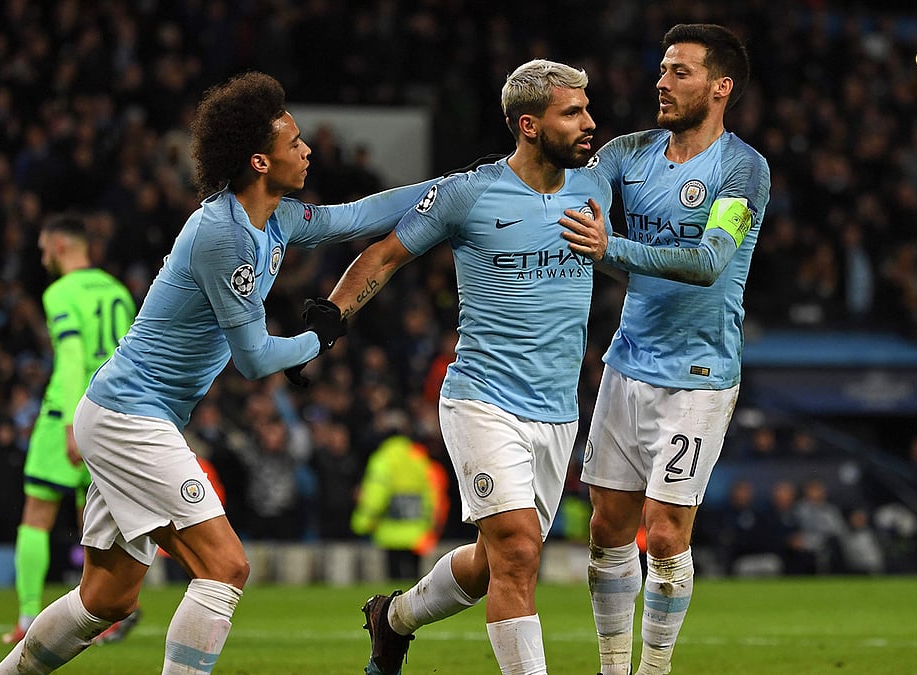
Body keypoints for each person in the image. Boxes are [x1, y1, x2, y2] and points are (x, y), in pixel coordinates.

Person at [0, 71, 433, 674]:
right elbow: (253, 358)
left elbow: (354, 216)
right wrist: (319, 338)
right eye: (294, 142)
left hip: (126, 413)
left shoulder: (274, 218)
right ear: (259, 161)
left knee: (106, 598)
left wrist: (448, 187)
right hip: (130, 417)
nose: (307, 150)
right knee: (225, 567)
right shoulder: (222, 234)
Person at [321, 59, 608, 675]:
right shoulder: (469, 194)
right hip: (484, 400)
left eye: (587, 109)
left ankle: (394, 619)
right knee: (519, 552)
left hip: (558, 412)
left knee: (492, 563)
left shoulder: (596, 185)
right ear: (529, 125)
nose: (589, 122)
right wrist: (328, 321)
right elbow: (385, 255)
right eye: (572, 112)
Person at [558, 24, 771, 675]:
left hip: (699, 374)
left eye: (681, 71)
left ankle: (653, 670)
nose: (662, 82)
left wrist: (612, 247)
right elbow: (579, 202)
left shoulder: (742, 168)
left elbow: (709, 262)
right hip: (627, 364)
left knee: (665, 527)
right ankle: (613, 669)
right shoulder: (628, 153)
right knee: (605, 527)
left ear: (720, 87)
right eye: (662, 69)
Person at [1, 214, 139, 646]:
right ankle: (104, 614)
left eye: (43, 247)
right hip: (112, 414)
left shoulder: (60, 291)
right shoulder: (117, 291)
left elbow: (72, 356)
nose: (41, 255)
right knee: (95, 520)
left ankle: (28, 617)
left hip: (69, 411)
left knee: (37, 514)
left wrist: (69, 425)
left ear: (60, 246)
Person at [350, 433, 449, 581]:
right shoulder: (419, 458)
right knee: (416, 581)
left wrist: (363, 523)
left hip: (391, 532)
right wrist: (433, 524)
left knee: (394, 580)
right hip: (417, 532)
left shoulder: (383, 459)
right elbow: (433, 493)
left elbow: (376, 495)